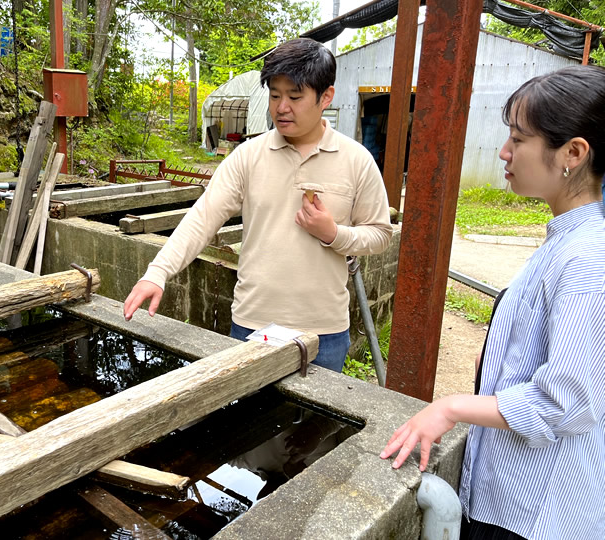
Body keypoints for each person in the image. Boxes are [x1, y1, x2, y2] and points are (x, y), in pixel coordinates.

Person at [380, 65, 605, 540]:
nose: (504, 151)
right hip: (513, 496)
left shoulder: (587, 257)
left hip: (533, 513)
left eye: (519, 140)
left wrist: (451, 407)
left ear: (574, 152)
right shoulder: (568, 238)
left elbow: (564, 403)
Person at [122, 38, 392, 372]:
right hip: (253, 325)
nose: (281, 107)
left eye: (295, 96)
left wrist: (333, 234)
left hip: (324, 333)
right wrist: (158, 272)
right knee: (250, 420)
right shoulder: (249, 156)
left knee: (315, 425)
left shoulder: (356, 161)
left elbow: (380, 235)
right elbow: (203, 217)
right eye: (275, 95)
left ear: (326, 97)